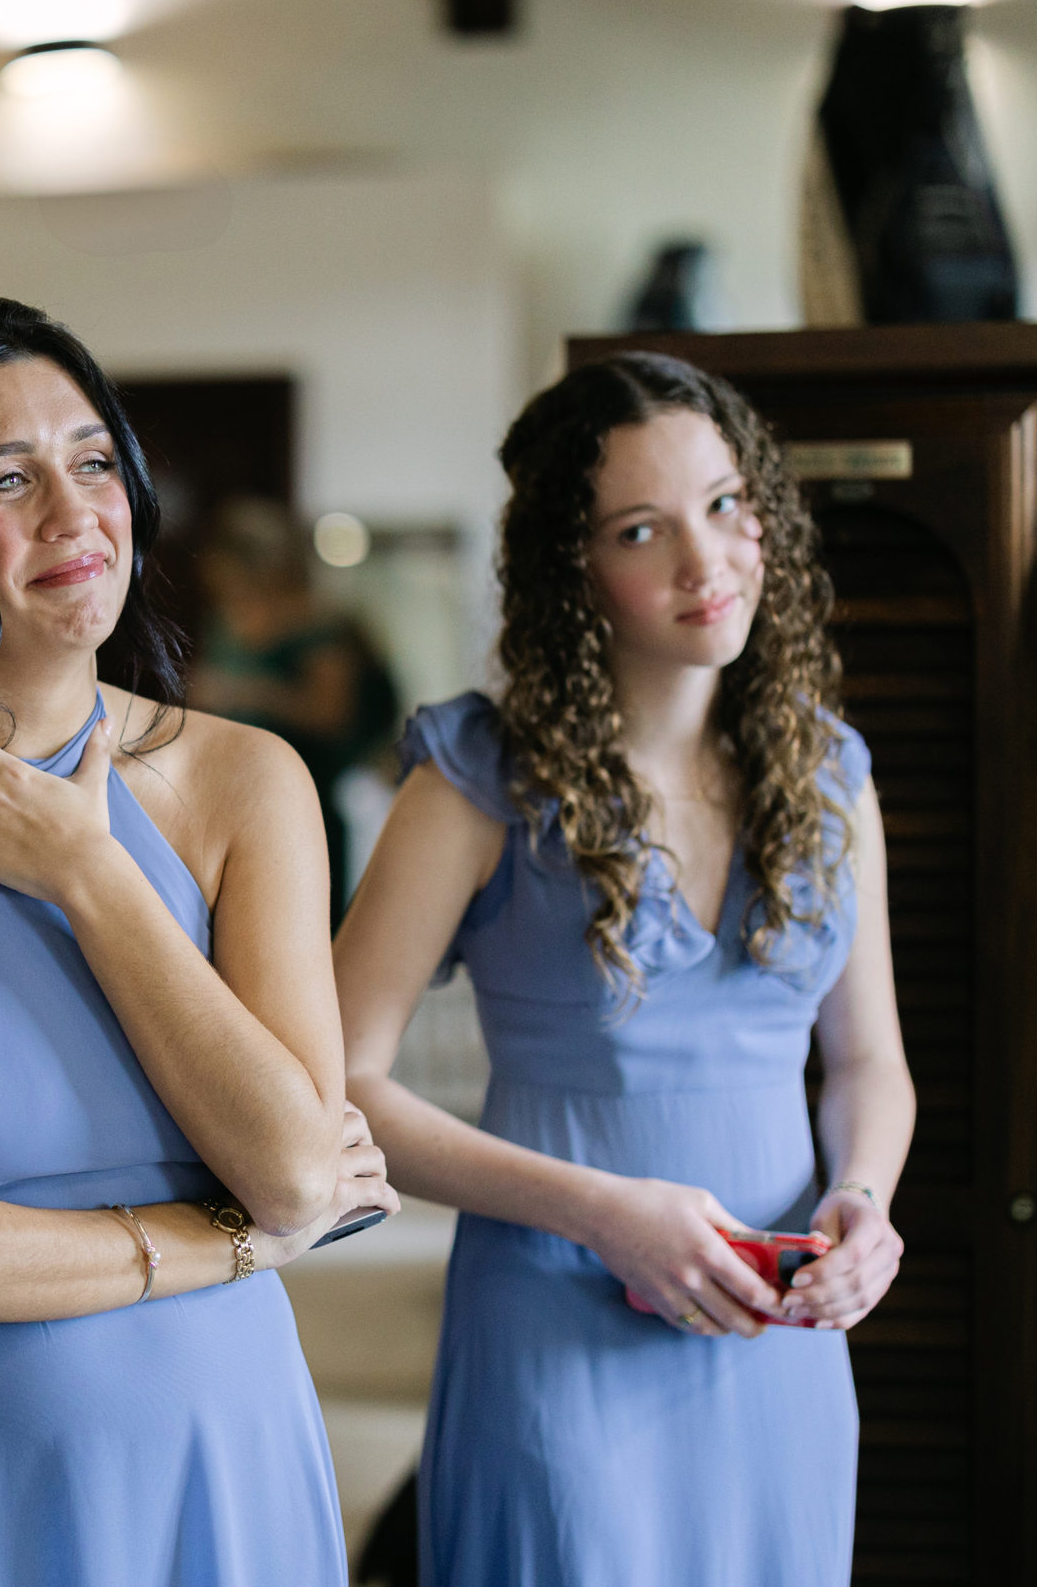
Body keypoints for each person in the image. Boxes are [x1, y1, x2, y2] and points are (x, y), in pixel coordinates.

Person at [0, 298, 398, 1587]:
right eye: (6, 480)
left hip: (231, 1442)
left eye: (95, 463)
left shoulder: (244, 784)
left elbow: (292, 1166)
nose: (73, 514)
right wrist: (233, 1243)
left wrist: (87, 871)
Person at [332, 352, 916, 1585]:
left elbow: (869, 1062)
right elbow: (334, 1084)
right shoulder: (478, 782)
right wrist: (602, 1211)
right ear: (573, 574)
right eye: (642, 530)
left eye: (723, 505)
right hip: (557, 1332)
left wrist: (863, 1199)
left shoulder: (831, 780)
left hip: (781, 1344)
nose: (706, 562)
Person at [189, 497, 401, 924]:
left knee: (305, 913)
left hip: (313, 785)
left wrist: (245, 693)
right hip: (236, 784)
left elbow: (330, 713)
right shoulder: (227, 620)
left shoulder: (320, 623)